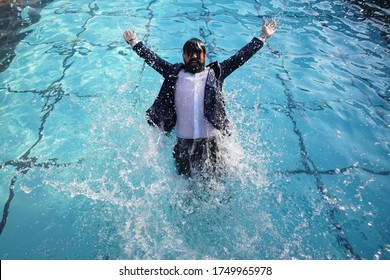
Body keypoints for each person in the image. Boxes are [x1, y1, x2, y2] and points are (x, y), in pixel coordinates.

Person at [123, 20, 276, 177]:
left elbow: (240, 57)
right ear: (184, 56)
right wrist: (134, 42)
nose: (194, 56)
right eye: (190, 53)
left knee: (216, 187)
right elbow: (153, 60)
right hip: (184, 145)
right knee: (185, 190)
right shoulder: (174, 73)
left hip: (214, 144)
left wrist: (263, 37)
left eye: (198, 53)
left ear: (205, 55)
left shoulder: (216, 73)